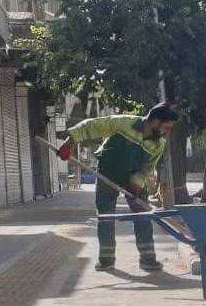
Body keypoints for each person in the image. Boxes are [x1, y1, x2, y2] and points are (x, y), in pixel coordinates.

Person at [57, 103, 178, 271]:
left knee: (143, 216)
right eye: (166, 127)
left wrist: (136, 184)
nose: (168, 132)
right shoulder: (124, 123)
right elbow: (93, 126)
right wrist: (70, 142)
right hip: (108, 173)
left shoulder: (159, 145)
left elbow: (147, 168)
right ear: (155, 121)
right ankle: (106, 260)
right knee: (106, 216)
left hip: (134, 180)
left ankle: (147, 259)